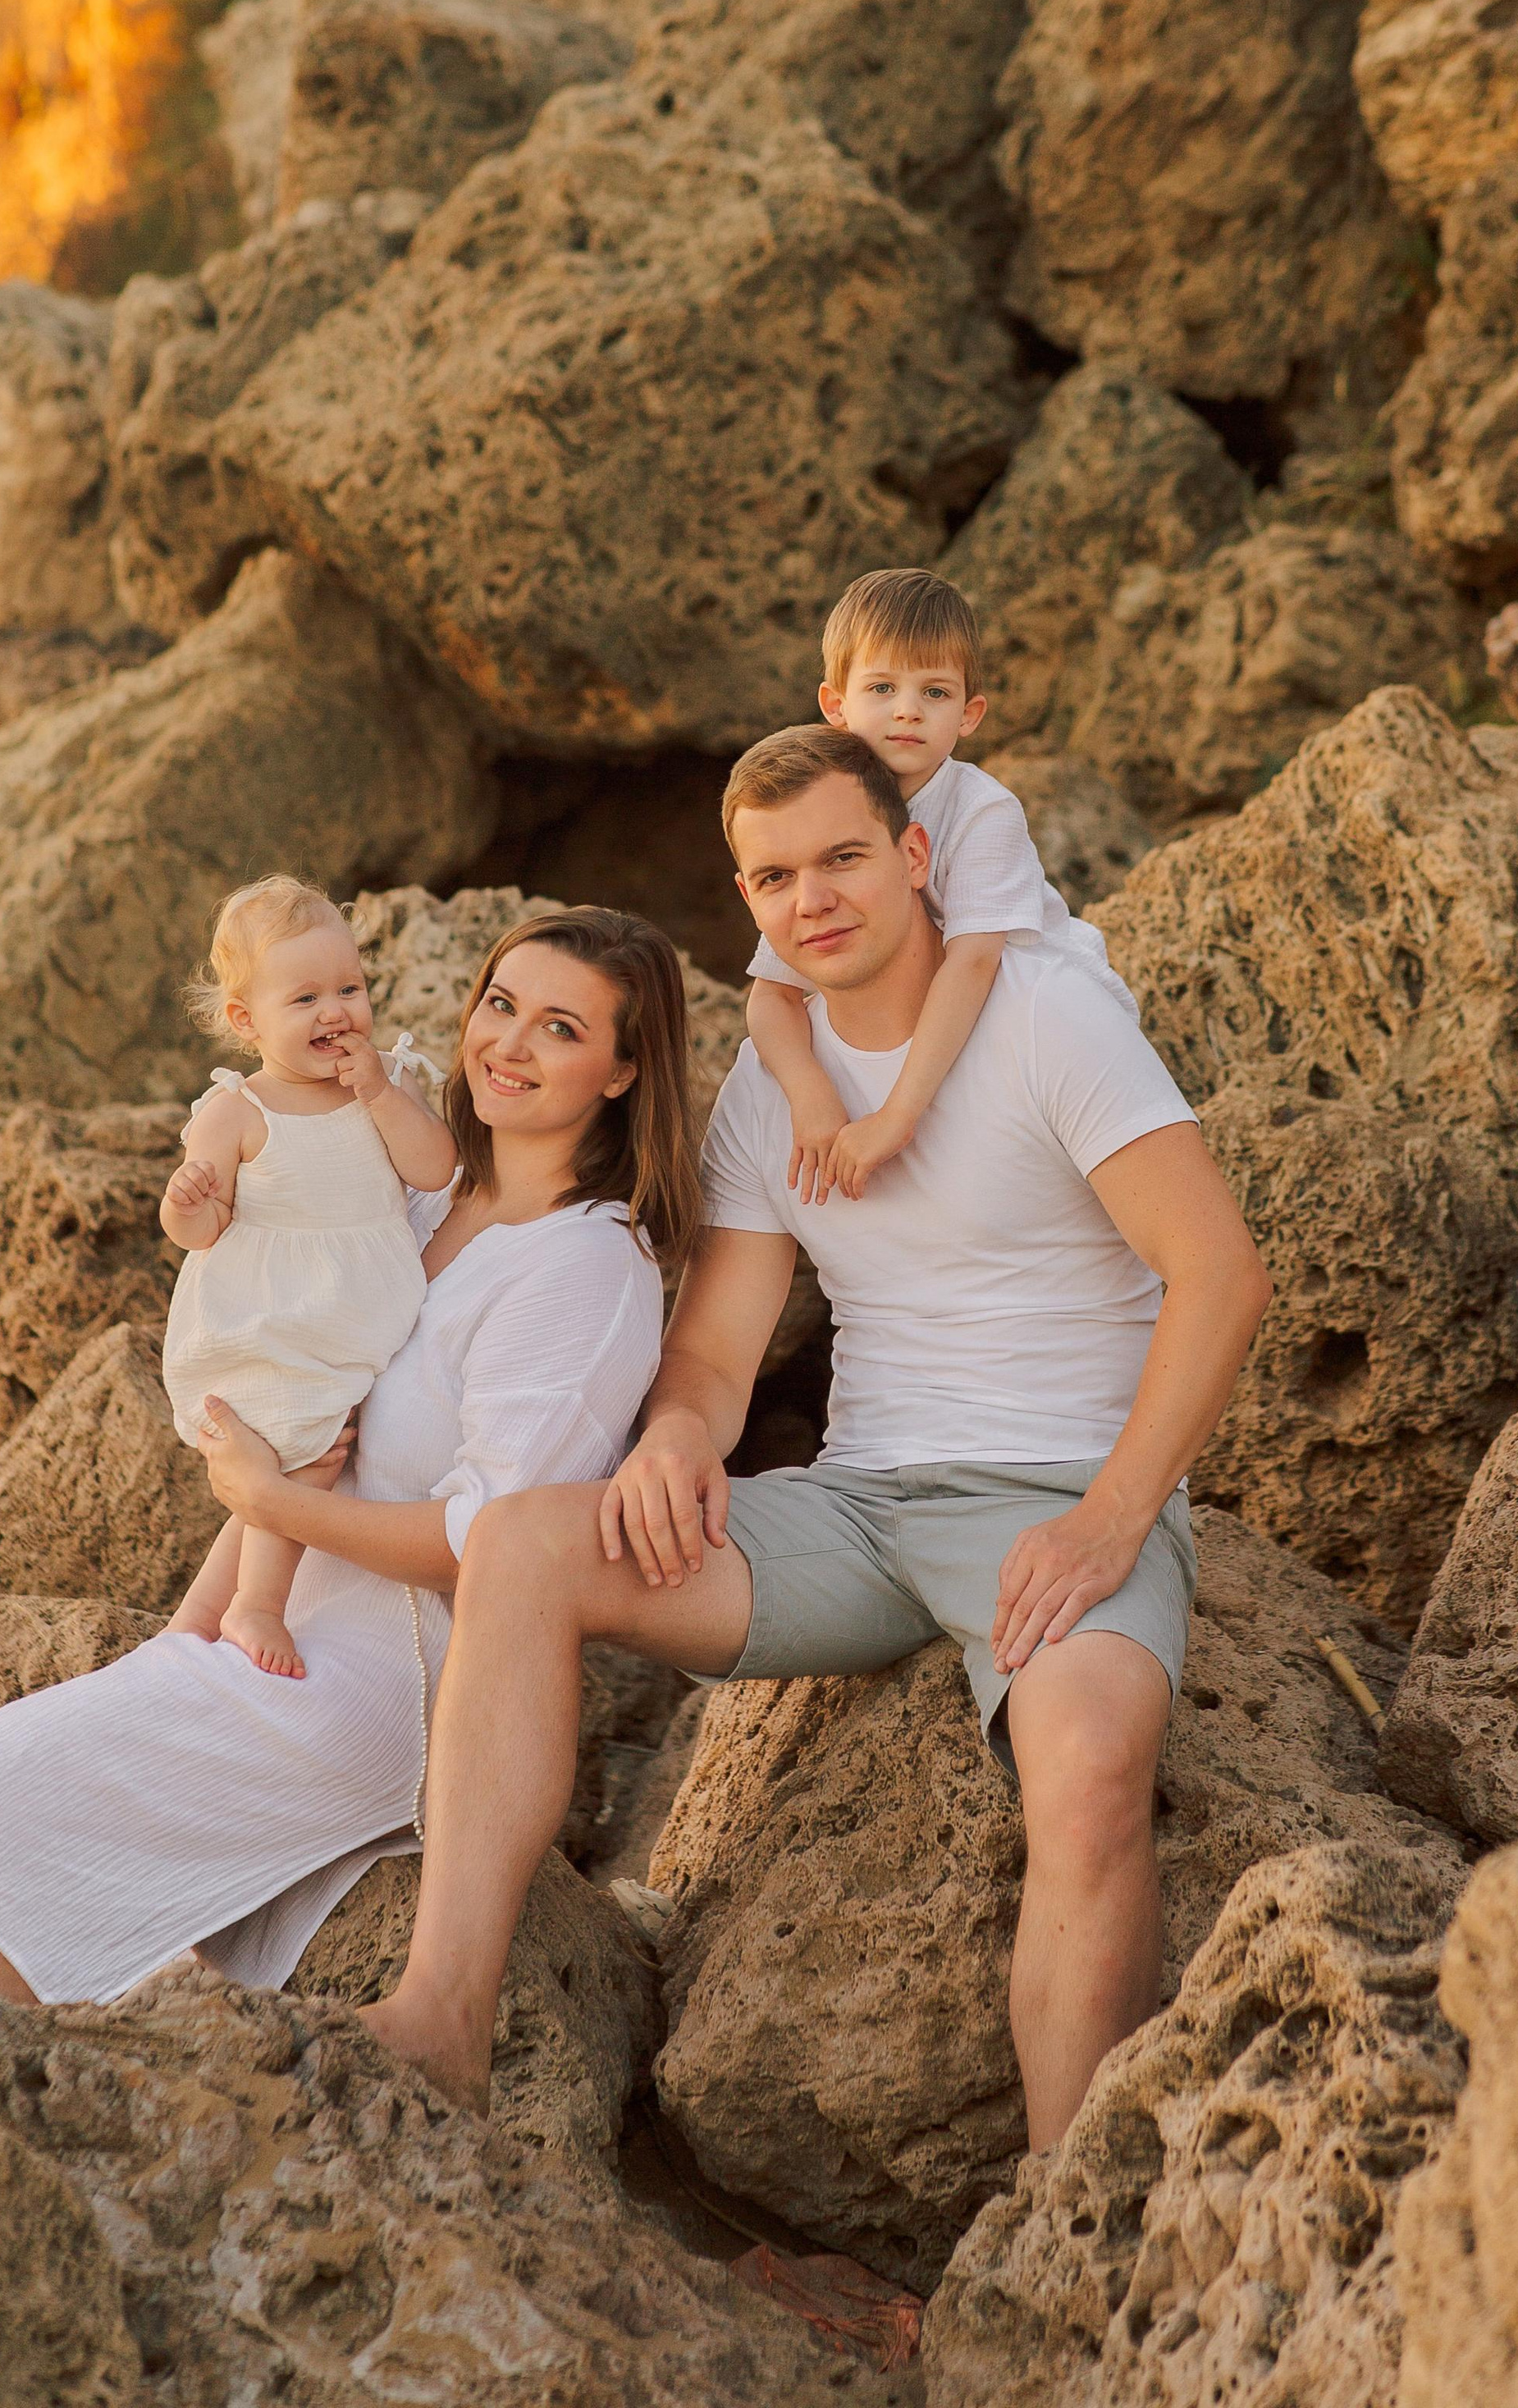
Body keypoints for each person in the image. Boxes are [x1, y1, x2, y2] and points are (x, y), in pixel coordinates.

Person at [363, 726, 1272, 2147]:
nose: (814, 899)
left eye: (843, 857)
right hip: (857, 1513)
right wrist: (677, 1436)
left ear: (913, 856)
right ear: (748, 899)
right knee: (526, 1546)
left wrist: (1109, 1521)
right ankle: (441, 2019)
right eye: (776, 877)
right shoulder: (765, 1092)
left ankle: (1066, 2209)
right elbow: (717, 1352)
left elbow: (1222, 1275)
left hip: (1059, 1491)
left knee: (1092, 1770)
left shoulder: (1046, 1018)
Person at [0, 906, 703, 2011]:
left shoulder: (583, 1272)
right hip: (273, 1632)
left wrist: (270, 1502)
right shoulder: (414, 1197)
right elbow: (298, 1429)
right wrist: (186, 1630)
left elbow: (495, 1548)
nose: (508, 1045)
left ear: (624, 1070)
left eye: (561, 1028)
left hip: (398, 1680)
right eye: (500, 1005)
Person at [745, 565, 1131, 1204]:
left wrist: (897, 1115)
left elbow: (975, 961)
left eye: (934, 692)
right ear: (835, 706)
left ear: (969, 714)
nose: (907, 710)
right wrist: (810, 1093)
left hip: (1035, 1020)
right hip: (935, 1017)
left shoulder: (982, 810)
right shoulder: (829, 811)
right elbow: (770, 996)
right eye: (882, 687)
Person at [158, 875, 458, 1679]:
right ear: (245, 1021)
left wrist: (381, 1094)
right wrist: (186, 1204)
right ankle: (255, 1607)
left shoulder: (386, 1082)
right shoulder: (237, 1111)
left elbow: (435, 1169)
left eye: (349, 989)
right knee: (306, 1458)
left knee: (303, 1460)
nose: (335, 1012)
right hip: (270, 1322)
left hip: (352, 1315)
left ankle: (195, 1619)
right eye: (305, 999)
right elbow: (204, 1232)